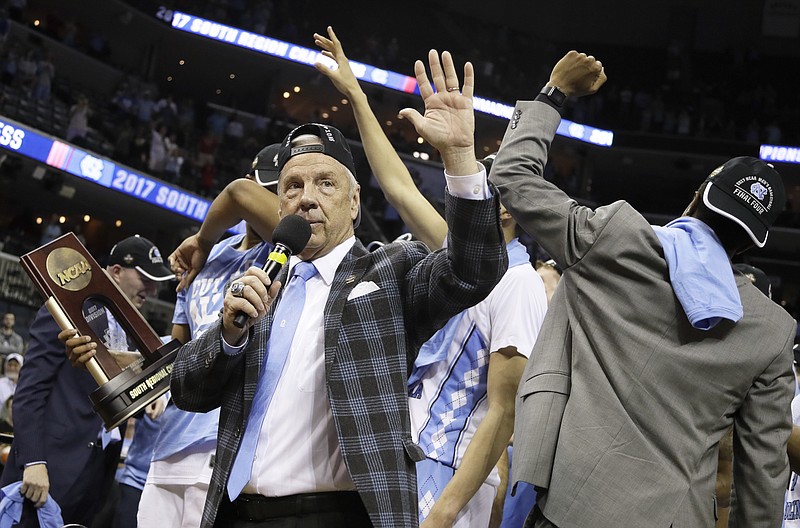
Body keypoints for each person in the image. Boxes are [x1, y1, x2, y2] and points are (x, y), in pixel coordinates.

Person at [168, 49, 508, 528]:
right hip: (233, 513)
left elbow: (474, 269)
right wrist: (228, 336)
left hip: (338, 514)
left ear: (353, 203)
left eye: (325, 183)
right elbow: (186, 388)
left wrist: (458, 158)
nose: (306, 197)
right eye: (292, 186)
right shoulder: (258, 282)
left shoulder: (389, 270)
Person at [490, 51, 795, 527]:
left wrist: (555, 92)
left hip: (570, 504)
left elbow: (512, 176)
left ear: (697, 195)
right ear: (752, 241)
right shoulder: (772, 331)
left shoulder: (615, 239)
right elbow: (762, 477)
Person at [313, 26, 546, 527]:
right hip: (405, 455)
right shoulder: (454, 251)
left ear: (505, 209)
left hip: (451, 476)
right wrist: (355, 95)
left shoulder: (522, 284)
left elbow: (503, 413)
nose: (472, 195)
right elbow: (397, 186)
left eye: (484, 188)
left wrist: (446, 511)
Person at [136, 145, 281, 528]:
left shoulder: (286, 255)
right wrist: (116, 363)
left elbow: (237, 193)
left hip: (227, 439)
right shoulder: (212, 254)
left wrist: (200, 238)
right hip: (171, 437)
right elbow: (178, 347)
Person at [0, 235, 174, 527]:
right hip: (49, 467)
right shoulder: (64, 312)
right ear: (116, 271)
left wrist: (148, 400)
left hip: (95, 473)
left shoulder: (132, 329)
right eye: (145, 277)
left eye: (156, 281)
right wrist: (32, 461)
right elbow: (30, 390)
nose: (152, 289)